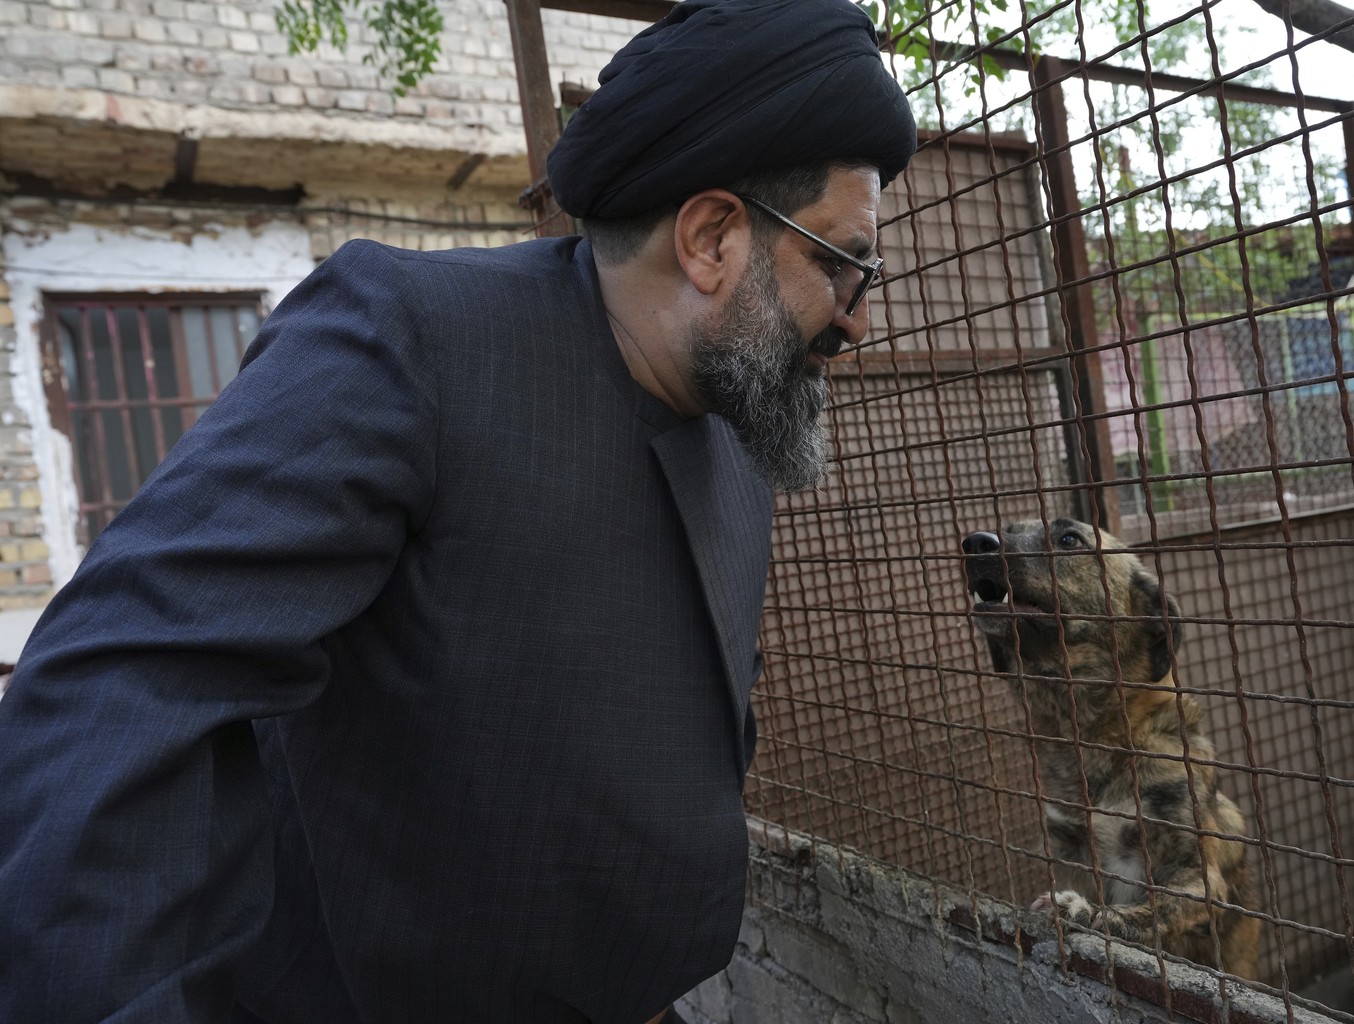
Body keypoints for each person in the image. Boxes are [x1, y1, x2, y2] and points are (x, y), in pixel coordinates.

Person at [0, 1, 916, 1022]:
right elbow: (123, 682)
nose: (859, 317)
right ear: (709, 237)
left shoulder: (736, 421)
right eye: (841, 262)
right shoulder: (413, 339)